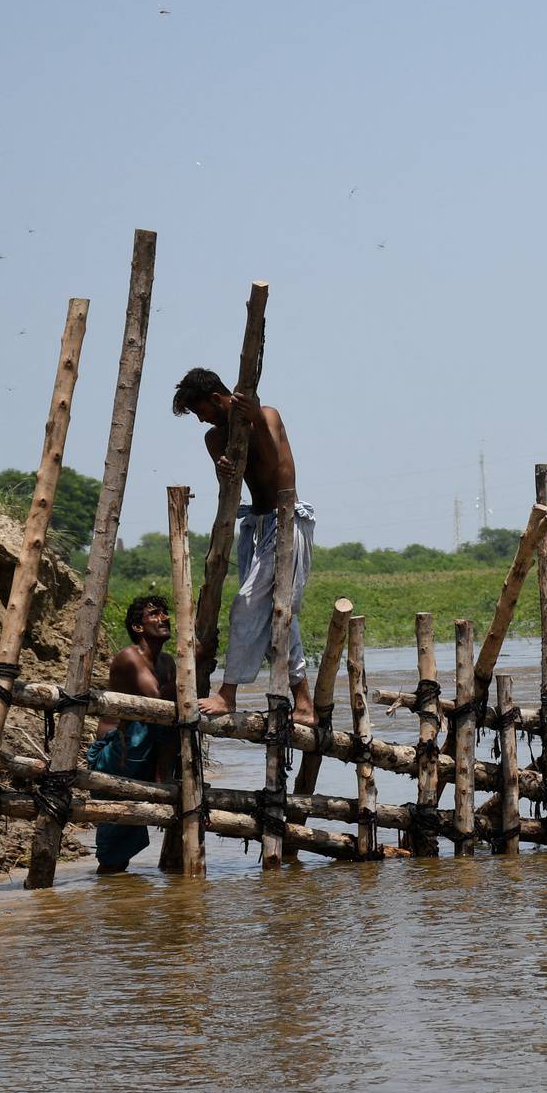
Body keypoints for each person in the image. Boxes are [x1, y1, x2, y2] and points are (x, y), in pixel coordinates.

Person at [173, 367, 314, 722]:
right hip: (256, 525)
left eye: (201, 411)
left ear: (217, 399)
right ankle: (305, 704)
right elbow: (231, 491)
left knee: (247, 604)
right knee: (277, 615)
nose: (202, 420)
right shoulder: (215, 440)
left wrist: (253, 423)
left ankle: (228, 693)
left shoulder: (267, 416)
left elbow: (272, 468)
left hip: (285, 522)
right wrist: (225, 470)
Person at [86, 595, 178, 873]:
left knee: (120, 847)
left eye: (165, 612)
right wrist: (193, 663)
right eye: (155, 614)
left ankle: (164, 778)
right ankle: (163, 779)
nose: (164, 618)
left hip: (144, 751)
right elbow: (157, 701)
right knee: (115, 848)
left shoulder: (169, 662)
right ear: (138, 627)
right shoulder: (129, 657)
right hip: (119, 751)